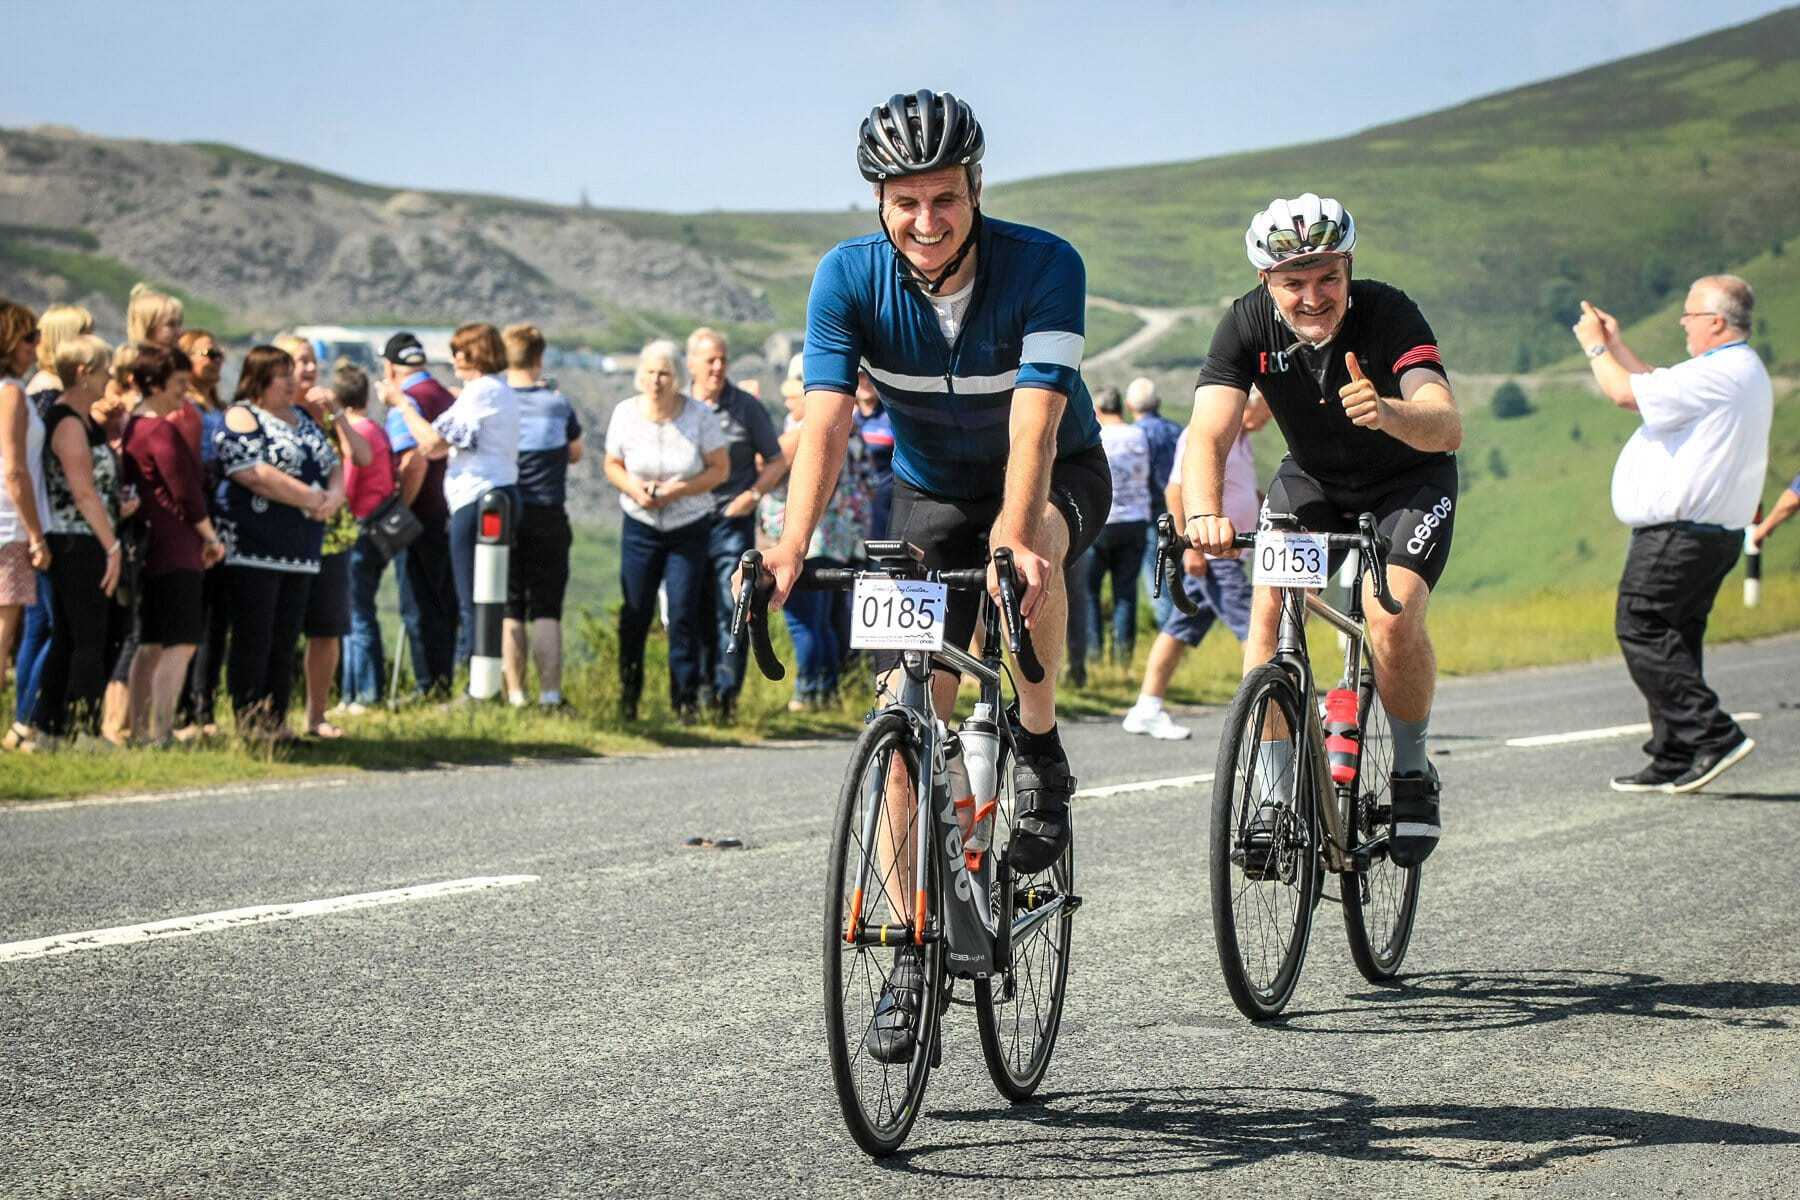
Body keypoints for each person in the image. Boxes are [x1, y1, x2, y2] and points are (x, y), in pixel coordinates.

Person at [770, 88, 1109, 874]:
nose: (928, 221)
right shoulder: (847, 277)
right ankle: (902, 948)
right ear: (879, 203)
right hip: (929, 491)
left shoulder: (1046, 265)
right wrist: (791, 544)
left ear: (977, 188)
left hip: (1057, 468)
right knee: (903, 724)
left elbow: (1036, 422)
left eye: (946, 197)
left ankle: (1037, 742)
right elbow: (824, 421)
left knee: (1036, 549)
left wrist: (1016, 530)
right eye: (906, 202)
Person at [1183, 193, 1462, 868]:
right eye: (1294, 283)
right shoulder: (1246, 324)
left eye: (1328, 277)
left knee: (1387, 616)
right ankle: (1277, 801)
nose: (1313, 296)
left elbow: (1445, 422)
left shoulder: (1389, 311)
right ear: (1266, 283)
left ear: (1348, 268)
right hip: (1312, 483)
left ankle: (1412, 771)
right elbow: (1210, 431)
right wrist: (1201, 514)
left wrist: (1390, 413)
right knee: (1272, 612)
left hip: (1408, 483)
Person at [1574, 277, 1770, 794]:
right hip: (1710, 533)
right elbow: (1652, 384)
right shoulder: (1735, 371)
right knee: (1676, 635)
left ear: (1716, 321)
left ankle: (1712, 732)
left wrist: (1595, 347)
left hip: (1678, 534)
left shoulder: (1722, 373)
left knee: (1640, 624)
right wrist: (1616, 344)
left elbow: (1623, 393)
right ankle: (1676, 752)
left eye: (1689, 314)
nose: (1682, 323)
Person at [213, 345, 343, 741]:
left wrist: (334, 497)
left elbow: (332, 462)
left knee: (285, 638)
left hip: (301, 549)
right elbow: (250, 471)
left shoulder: (303, 417)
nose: (292, 382)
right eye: (282, 374)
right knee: (256, 635)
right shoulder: (243, 415)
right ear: (260, 377)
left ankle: (278, 719)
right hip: (256, 546)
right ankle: (251, 721)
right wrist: (308, 497)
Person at [1122, 390, 1267, 739]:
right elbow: (1176, 491)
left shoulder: (1241, 438)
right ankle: (1273, 704)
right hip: (1215, 554)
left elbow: (1242, 489)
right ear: (1247, 403)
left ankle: (1146, 707)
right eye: (1268, 407)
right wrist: (1191, 549)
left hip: (1231, 552)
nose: (1272, 415)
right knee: (1257, 626)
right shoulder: (1208, 432)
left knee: (1178, 629)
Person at [392, 322, 521, 700]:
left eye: (459, 353)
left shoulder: (480, 392)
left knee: (472, 595)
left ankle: (478, 686)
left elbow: (432, 444)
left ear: (474, 355)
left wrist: (402, 404)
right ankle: (484, 683)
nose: (453, 360)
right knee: (488, 591)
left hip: (476, 496)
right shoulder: (498, 392)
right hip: (499, 489)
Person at [604, 340, 729, 723]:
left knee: (683, 611)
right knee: (635, 610)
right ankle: (629, 695)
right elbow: (612, 463)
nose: (657, 380)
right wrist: (634, 490)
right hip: (640, 523)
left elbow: (719, 469)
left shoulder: (698, 416)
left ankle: (685, 700)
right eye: (650, 372)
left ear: (677, 378)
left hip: (687, 524)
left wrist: (679, 489)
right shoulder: (625, 413)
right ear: (640, 376)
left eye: (664, 373)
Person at [119, 345, 225, 745]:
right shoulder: (160, 430)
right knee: (180, 643)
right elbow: (185, 492)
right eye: (179, 383)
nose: (184, 391)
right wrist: (210, 537)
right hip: (177, 542)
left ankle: (140, 729)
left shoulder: (133, 426)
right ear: (155, 383)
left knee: (150, 643)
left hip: (151, 544)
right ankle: (161, 730)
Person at [759, 353, 874, 710]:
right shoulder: (851, 426)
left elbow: (764, 461)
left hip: (808, 537)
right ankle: (826, 690)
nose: (787, 400)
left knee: (803, 620)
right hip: (842, 537)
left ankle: (807, 692)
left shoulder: (808, 430)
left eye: (793, 393)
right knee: (823, 619)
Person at [33, 334, 130, 746]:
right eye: (105, 368)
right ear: (84, 373)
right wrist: (112, 546)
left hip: (89, 535)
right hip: (78, 541)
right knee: (89, 636)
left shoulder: (86, 419)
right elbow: (82, 491)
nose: (110, 376)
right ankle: (82, 728)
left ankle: (50, 727)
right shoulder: (67, 422)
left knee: (73, 636)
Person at [687, 327, 786, 721]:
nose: (717, 367)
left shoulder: (745, 406)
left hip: (732, 519)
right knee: (691, 606)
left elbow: (776, 460)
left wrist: (751, 496)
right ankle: (695, 691)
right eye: (710, 360)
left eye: (723, 360)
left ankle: (726, 696)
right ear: (691, 363)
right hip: (688, 522)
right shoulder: (681, 407)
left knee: (733, 605)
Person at [7, 306, 93, 749]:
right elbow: (17, 468)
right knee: (39, 626)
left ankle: (27, 720)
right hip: (23, 524)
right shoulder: (30, 393)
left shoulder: (26, 392)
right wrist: (37, 532)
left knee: (40, 624)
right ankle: (25, 720)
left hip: (29, 521)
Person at [277, 335, 371, 738]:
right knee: (280, 629)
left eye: (312, 361)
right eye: (300, 361)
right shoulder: (274, 413)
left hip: (332, 536)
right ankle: (271, 714)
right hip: (287, 533)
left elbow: (362, 457)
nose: (309, 369)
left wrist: (337, 414)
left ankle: (316, 715)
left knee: (326, 628)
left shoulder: (325, 415)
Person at [497, 324, 583, 711]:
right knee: (547, 608)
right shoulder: (556, 405)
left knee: (511, 607)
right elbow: (576, 452)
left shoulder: (496, 403)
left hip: (506, 512)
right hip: (548, 512)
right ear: (540, 358)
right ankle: (550, 694)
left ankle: (515, 695)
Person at [380, 332, 459, 699]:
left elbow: (412, 461)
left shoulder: (406, 402)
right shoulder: (445, 395)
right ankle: (444, 681)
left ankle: (429, 685)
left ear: (389, 367)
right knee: (445, 601)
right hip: (449, 511)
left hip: (421, 513)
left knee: (417, 603)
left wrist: (402, 510)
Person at [0, 303, 49, 739]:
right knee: (4, 630)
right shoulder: (11, 391)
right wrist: (36, 533)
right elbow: (15, 470)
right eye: (29, 337)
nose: (37, 346)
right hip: (8, 527)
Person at [336, 363, 394, 711]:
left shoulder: (355, 434)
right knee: (360, 610)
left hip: (359, 527)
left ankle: (363, 693)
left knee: (356, 614)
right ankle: (353, 692)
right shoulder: (376, 429)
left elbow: (348, 485)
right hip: (379, 529)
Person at [1086, 384, 1151, 666]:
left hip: (1102, 522)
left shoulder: (1097, 435)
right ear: (1121, 408)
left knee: (1090, 591)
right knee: (1126, 592)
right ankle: (1123, 659)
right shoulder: (1139, 434)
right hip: (1136, 521)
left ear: (1098, 410)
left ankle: (1094, 655)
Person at [1126, 376, 1183, 627]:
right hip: (1181, 510)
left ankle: (1170, 631)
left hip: (1151, 513)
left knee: (1157, 579)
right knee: (1179, 576)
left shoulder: (1134, 436)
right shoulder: (1177, 430)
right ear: (1158, 402)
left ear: (1129, 406)